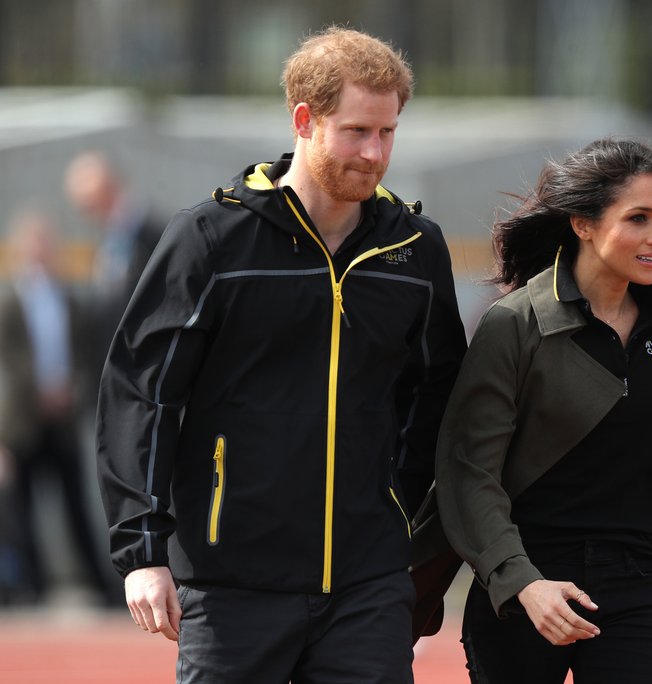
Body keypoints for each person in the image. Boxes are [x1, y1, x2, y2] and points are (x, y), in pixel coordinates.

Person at [95, 26, 466, 684]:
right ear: (304, 118)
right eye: (356, 131)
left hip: (368, 580)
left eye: (387, 133)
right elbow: (143, 394)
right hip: (232, 578)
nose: (374, 153)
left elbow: (437, 396)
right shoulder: (209, 241)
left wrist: (398, 515)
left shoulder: (415, 250)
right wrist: (143, 550)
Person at [435, 138, 652, 683]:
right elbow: (468, 472)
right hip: (530, 589)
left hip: (637, 584)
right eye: (639, 218)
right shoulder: (514, 323)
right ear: (583, 224)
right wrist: (523, 582)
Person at [0, 209, 118, 606]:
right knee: (23, 509)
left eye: (44, 242)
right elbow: (12, 362)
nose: (39, 250)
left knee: (75, 504)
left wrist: (72, 390)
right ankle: (31, 589)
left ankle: (101, 587)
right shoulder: (8, 301)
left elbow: (85, 356)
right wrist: (37, 392)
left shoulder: (69, 298)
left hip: (64, 418)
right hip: (23, 421)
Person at [64, 150, 165, 390]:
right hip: (115, 383)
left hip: (150, 382)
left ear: (107, 190)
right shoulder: (107, 243)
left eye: (88, 205)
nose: (87, 215)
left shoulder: (160, 237)